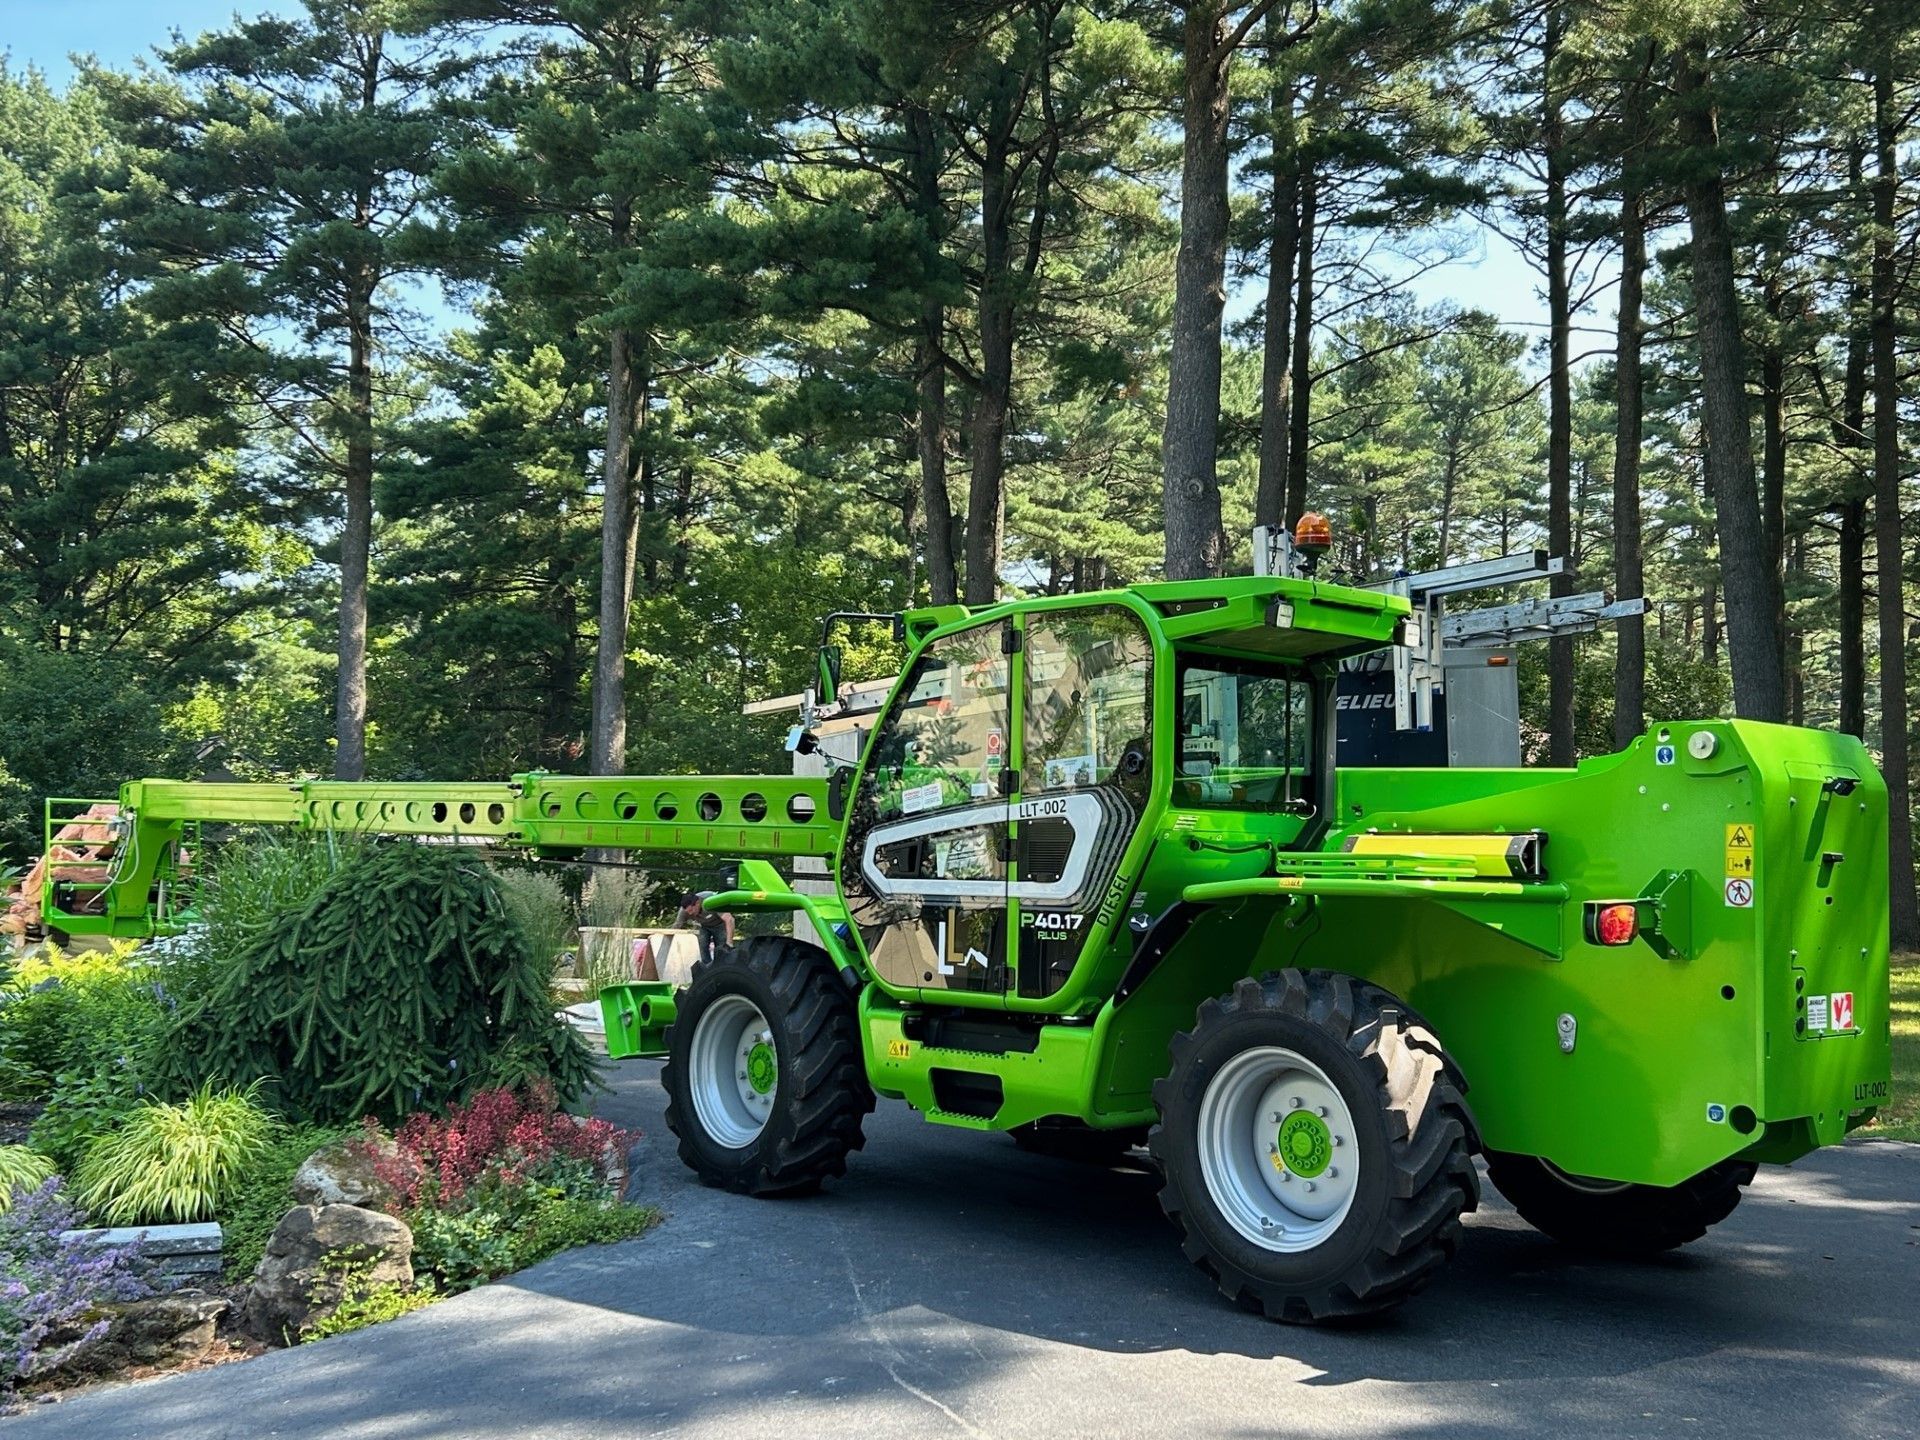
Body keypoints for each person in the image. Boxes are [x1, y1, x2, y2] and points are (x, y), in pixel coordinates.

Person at [678, 890, 736, 964]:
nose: (690, 913)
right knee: (702, 945)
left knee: (722, 948)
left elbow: (729, 919)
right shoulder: (683, 911)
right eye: (687, 912)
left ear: (697, 903)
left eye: (691, 910)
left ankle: (722, 967)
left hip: (720, 924)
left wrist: (729, 942)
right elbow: (677, 925)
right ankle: (706, 967)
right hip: (703, 926)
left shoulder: (712, 901)